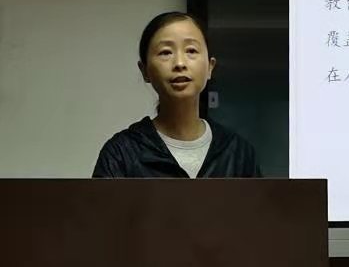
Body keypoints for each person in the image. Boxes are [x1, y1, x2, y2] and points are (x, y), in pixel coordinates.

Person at [93, 11, 261, 178]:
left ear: (210, 67)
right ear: (144, 70)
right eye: (165, 52)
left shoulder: (238, 153)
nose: (180, 63)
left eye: (191, 50)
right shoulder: (121, 154)